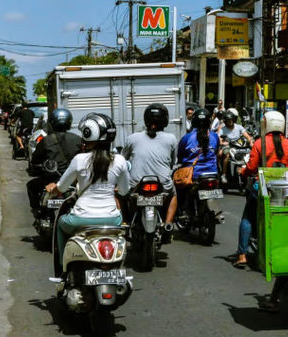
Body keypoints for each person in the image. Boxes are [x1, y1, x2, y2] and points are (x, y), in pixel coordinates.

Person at [45, 113, 129, 267]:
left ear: (87, 134)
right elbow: (124, 191)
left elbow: (62, 187)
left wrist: (52, 189)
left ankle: (63, 268)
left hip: (80, 219)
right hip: (112, 220)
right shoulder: (120, 160)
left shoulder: (79, 160)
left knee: (61, 224)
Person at [234, 111, 288, 271]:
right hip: (284, 189)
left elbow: (252, 167)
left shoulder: (259, 143)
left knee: (247, 218)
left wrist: (243, 171)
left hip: (262, 187)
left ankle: (242, 255)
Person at [123, 103, 179, 243]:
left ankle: (125, 222)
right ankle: (168, 224)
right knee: (173, 195)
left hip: (136, 184)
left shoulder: (132, 138)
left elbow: (123, 159)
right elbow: (172, 162)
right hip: (162, 183)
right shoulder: (171, 139)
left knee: (121, 194)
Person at [26, 108, 83, 224]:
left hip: (51, 180)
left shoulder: (46, 140)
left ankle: (38, 212)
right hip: (73, 181)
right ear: (69, 122)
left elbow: (36, 159)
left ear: (52, 123)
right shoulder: (78, 139)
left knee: (31, 185)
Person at [177, 108, 220, 214]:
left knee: (179, 188)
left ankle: (183, 210)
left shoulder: (187, 137)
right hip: (213, 173)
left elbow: (180, 155)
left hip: (193, 175)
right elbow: (217, 152)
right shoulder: (214, 136)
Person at [219, 111, 253, 184]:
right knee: (227, 155)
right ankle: (224, 175)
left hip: (238, 146)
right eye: (228, 120)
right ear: (225, 121)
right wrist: (223, 143)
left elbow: (247, 136)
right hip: (228, 146)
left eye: (231, 119)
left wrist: (250, 142)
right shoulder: (223, 129)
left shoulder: (239, 127)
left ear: (233, 119)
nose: (229, 121)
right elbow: (220, 139)